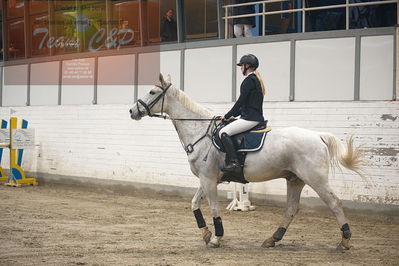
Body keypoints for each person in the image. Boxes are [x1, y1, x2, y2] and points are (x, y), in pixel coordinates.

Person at [219, 54, 266, 174]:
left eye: (242, 66)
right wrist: (233, 115)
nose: (240, 68)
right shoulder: (255, 79)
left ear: (247, 66)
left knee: (223, 132)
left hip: (250, 119)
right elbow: (247, 104)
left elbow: (241, 101)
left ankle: (234, 163)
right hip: (253, 116)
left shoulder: (249, 80)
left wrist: (228, 115)